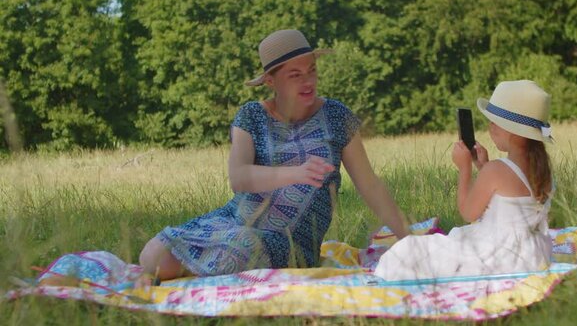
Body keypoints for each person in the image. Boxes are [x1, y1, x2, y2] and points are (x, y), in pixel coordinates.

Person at [138, 29, 410, 281]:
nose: (308, 81)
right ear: (271, 80)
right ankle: (206, 265)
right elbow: (239, 177)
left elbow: (370, 184)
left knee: (240, 249)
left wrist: (409, 241)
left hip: (287, 241)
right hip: (235, 219)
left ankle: (208, 267)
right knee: (153, 255)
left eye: (312, 70)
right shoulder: (251, 116)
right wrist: (295, 173)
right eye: (295, 75)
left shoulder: (336, 116)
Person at [375, 80, 555, 281]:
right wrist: (482, 167)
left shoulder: (496, 170)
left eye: (494, 122)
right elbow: (510, 194)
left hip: (499, 258)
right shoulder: (543, 170)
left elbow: (468, 212)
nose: (490, 127)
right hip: (533, 256)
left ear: (513, 132)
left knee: (406, 252)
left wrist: (465, 169)